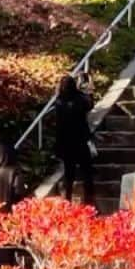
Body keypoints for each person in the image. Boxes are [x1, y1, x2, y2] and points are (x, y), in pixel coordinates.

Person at [54, 73, 96, 206]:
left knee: (69, 174)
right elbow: (89, 104)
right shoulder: (80, 99)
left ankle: (67, 200)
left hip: (66, 143)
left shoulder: (59, 102)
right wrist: (88, 88)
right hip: (81, 141)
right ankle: (89, 200)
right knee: (87, 172)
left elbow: (58, 95)